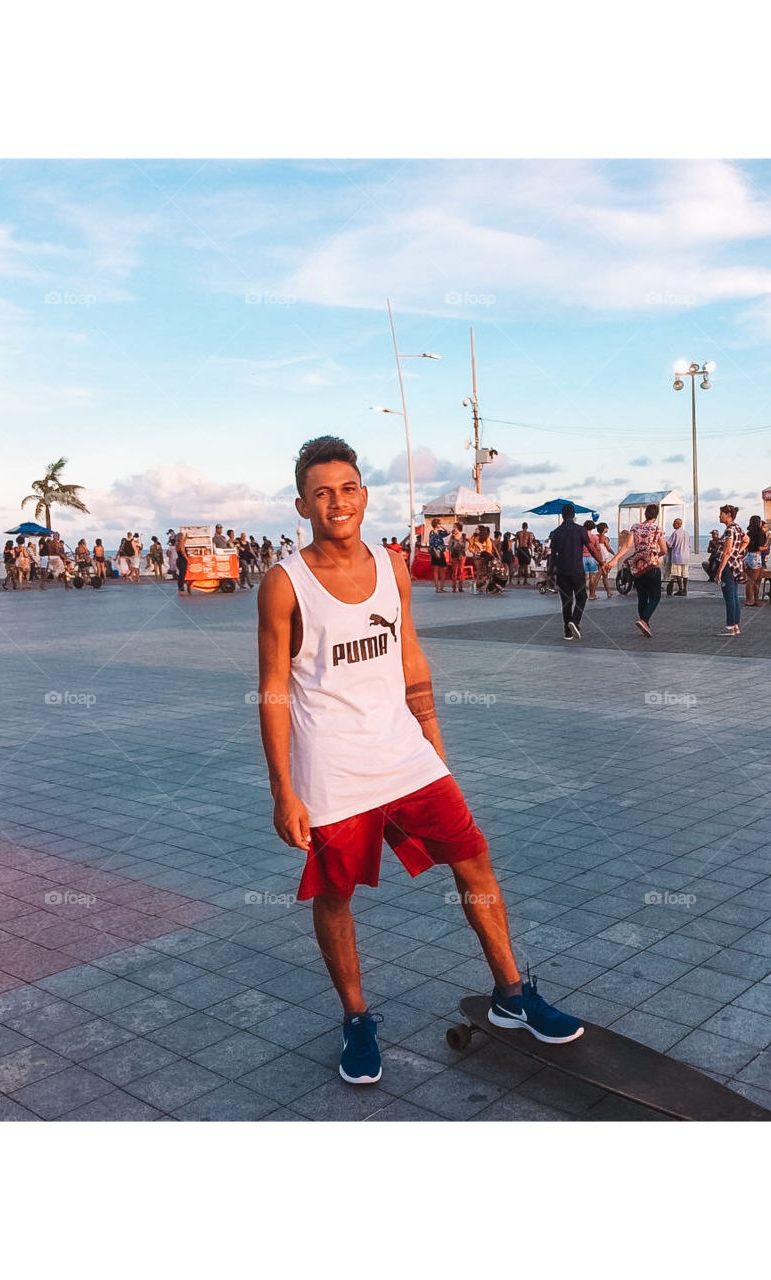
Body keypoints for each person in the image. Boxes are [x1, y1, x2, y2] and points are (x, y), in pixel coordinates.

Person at [256, 435, 583, 1086]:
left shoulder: (392, 565)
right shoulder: (283, 584)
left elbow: (409, 655)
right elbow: (271, 688)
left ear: (364, 495)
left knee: (474, 856)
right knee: (335, 891)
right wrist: (283, 791)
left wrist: (433, 742)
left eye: (348, 489)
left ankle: (511, 994)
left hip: (404, 751)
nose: (338, 502)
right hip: (332, 765)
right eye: (322, 493)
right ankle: (356, 1017)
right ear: (302, 505)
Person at [608, 503, 668, 638]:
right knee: (655, 596)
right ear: (656, 515)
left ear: (645, 514)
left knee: (642, 597)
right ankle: (644, 620)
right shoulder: (657, 529)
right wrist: (656, 555)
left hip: (638, 566)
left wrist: (614, 560)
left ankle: (645, 624)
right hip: (651, 566)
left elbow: (627, 545)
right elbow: (664, 549)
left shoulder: (635, 527)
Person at [548, 503, 592, 639]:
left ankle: (567, 632)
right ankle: (574, 621)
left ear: (562, 516)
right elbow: (590, 547)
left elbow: (552, 555)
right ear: (573, 515)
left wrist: (550, 573)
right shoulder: (580, 530)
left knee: (566, 601)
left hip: (562, 571)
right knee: (582, 597)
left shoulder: (555, 532)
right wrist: (601, 562)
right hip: (577, 571)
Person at [714, 503, 747, 634]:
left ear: (728, 515)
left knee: (729, 597)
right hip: (736, 566)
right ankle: (736, 625)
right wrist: (737, 552)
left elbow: (727, 552)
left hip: (728, 567)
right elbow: (747, 540)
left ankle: (730, 626)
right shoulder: (738, 528)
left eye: (721, 514)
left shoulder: (729, 530)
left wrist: (719, 571)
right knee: (734, 596)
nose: (719, 516)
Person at [742, 515, 768, 607]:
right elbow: (761, 547)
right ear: (759, 523)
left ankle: (753, 600)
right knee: (754, 581)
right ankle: (750, 600)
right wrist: (767, 545)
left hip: (749, 555)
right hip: (756, 556)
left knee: (753, 580)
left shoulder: (748, 533)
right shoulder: (760, 533)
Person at [665, 517, 690, 597]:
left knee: (677, 573)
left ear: (678, 524)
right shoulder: (686, 533)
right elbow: (689, 545)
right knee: (685, 573)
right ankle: (685, 590)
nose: (673, 525)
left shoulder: (675, 533)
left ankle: (680, 590)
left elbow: (669, 544)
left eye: (674, 523)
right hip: (685, 556)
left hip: (677, 556)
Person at [428, 518, 450, 593]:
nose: (440, 525)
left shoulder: (440, 532)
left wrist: (442, 526)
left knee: (443, 569)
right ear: (436, 524)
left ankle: (441, 587)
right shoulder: (432, 533)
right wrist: (435, 551)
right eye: (439, 524)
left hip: (441, 551)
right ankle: (437, 587)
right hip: (436, 551)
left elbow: (448, 532)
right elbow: (431, 543)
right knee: (436, 569)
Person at [594, 522, 615, 598]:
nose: (607, 529)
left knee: (603, 575)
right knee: (601, 576)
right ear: (604, 529)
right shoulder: (605, 538)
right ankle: (593, 593)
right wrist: (614, 553)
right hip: (604, 559)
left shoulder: (595, 537)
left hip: (598, 558)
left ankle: (608, 592)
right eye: (606, 528)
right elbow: (608, 548)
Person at [448, 522, 467, 593]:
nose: (454, 528)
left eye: (455, 527)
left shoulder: (463, 536)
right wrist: (452, 540)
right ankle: (454, 587)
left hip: (462, 555)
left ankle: (461, 587)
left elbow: (466, 546)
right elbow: (449, 547)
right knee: (454, 571)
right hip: (454, 555)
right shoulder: (452, 537)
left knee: (461, 571)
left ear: (458, 528)